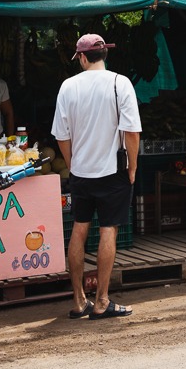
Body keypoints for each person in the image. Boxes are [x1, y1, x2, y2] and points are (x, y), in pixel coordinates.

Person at [52, 33, 141, 320]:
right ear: (104, 54)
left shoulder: (68, 87)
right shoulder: (120, 83)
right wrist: (133, 167)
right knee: (108, 230)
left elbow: (61, 136)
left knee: (79, 229)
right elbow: (132, 133)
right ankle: (102, 300)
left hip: (81, 172)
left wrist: (72, 163)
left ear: (82, 57)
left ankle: (79, 302)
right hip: (113, 171)